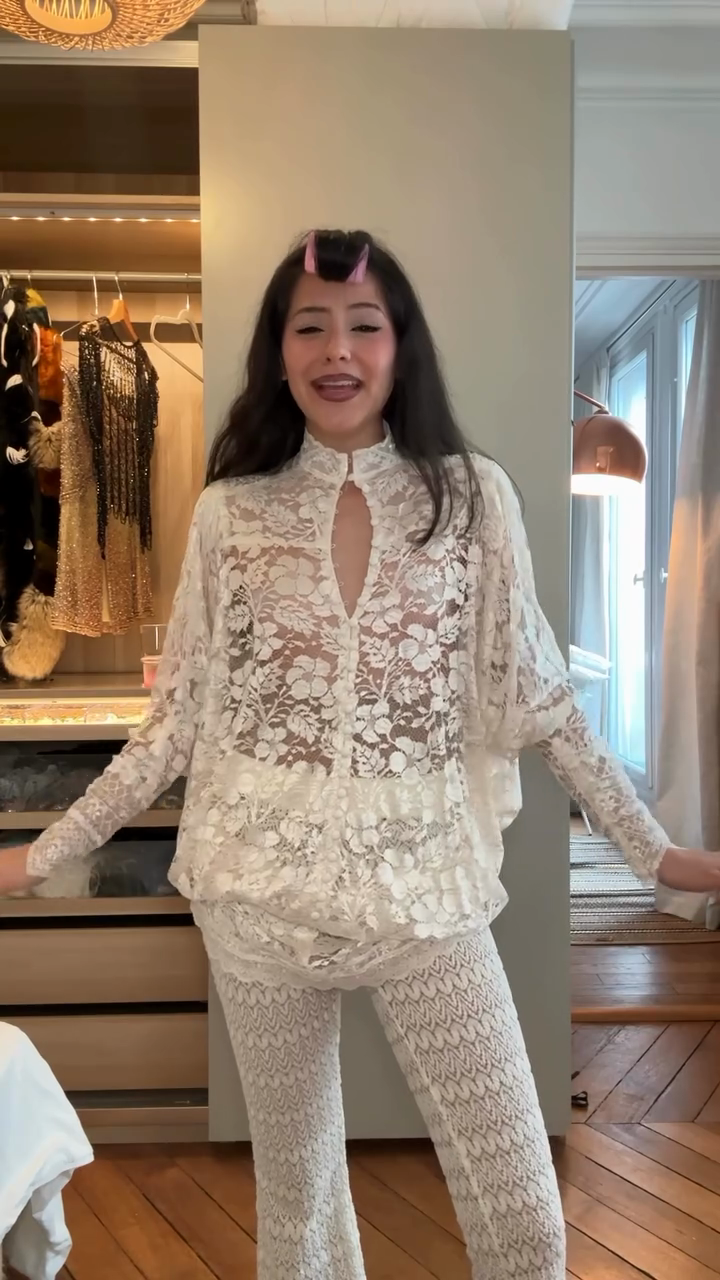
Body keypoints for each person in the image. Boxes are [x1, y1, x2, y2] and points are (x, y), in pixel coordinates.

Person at [2, 229, 719, 1280]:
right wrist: (40, 855)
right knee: (298, 1206)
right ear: (279, 350)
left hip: (425, 894)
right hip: (257, 899)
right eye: (310, 326)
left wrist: (656, 854)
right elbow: (176, 726)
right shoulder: (231, 515)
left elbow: (542, 698)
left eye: (363, 324)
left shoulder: (473, 498)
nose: (336, 349)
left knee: (521, 1202)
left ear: (400, 344)